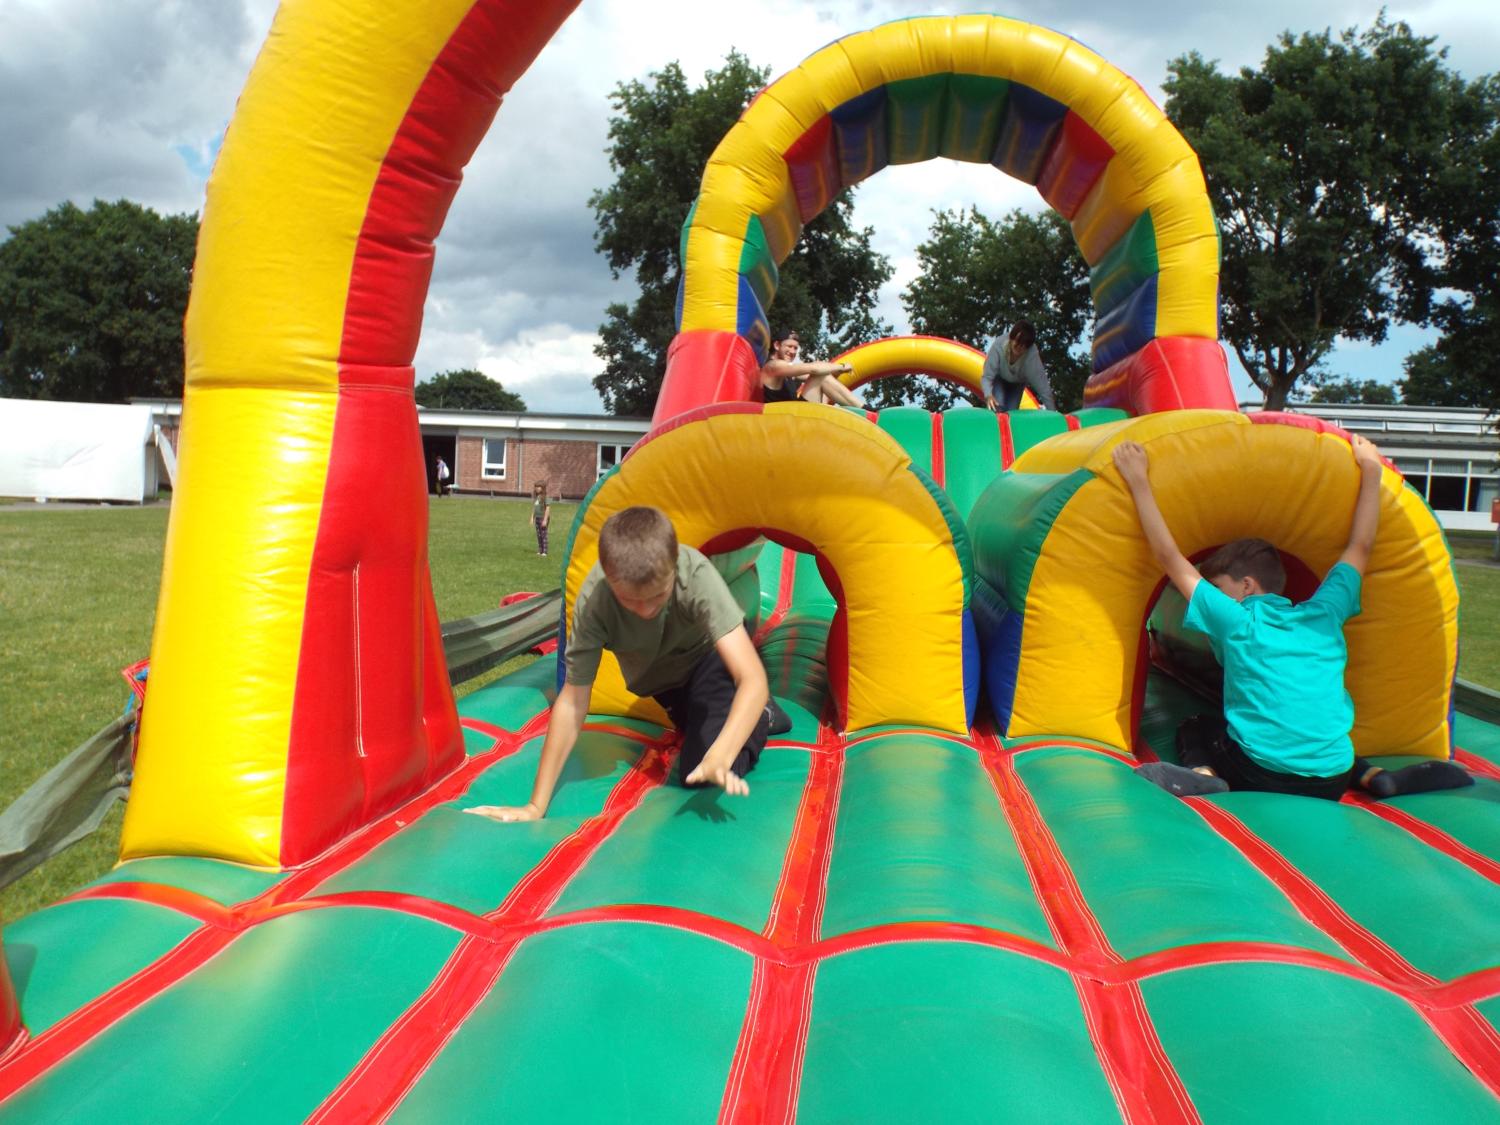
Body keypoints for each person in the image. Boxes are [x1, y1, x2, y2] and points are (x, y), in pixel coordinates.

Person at [1113, 434, 1472, 800]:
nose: (1215, 595)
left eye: (1219, 587)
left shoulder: (1238, 622)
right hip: (1332, 779)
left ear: (1247, 586)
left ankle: (1203, 774)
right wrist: (1370, 470)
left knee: (1197, 725)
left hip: (1260, 774)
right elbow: (1361, 546)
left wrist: (1139, 480)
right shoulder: (1325, 613)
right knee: (1319, 738)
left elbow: (1169, 557)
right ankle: (1373, 776)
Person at [466, 506, 791, 822]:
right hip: (664, 684)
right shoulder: (595, 601)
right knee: (699, 736)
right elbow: (574, 700)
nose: (646, 610)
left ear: (673, 566)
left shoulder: (693, 573)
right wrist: (535, 806)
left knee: (703, 771)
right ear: (610, 579)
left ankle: (760, 715)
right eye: (631, 601)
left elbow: (751, 677)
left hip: (708, 659)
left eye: (657, 596)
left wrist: (724, 750)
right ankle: (724, 717)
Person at [761, 330, 868, 409]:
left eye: (795, 348)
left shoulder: (787, 373)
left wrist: (837, 371)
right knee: (820, 374)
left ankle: (864, 411)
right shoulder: (773, 366)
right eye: (789, 346)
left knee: (822, 375)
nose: (793, 351)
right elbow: (814, 369)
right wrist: (842, 367)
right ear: (777, 345)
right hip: (784, 421)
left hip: (793, 416)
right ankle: (867, 411)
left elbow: (823, 376)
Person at [982, 321, 1056, 412]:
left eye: (1024, 346)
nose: (1019, 347)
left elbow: (1043, 389)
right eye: (1018, 342)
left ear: (1028, 347)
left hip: (1017, 383)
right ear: (1011, 338)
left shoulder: (1032, 358)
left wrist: (1053, 413)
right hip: (999, 377)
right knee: (998, 404)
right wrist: (988, 395)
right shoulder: (999, 345)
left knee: (1012, 412)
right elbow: (987, 376)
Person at [530, 481, 550, 557]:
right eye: (536, 487)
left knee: (543, 534)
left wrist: (545, 520)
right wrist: (532, 517)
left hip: (543, 518)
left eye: (538, 487)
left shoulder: (546, 497)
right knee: (539, 535)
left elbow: (548, 509)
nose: (536, 488)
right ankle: (540, 550)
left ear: (543, 488)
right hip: (537, 518)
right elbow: (534, 508)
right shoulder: (536, 497)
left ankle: (545, 551)